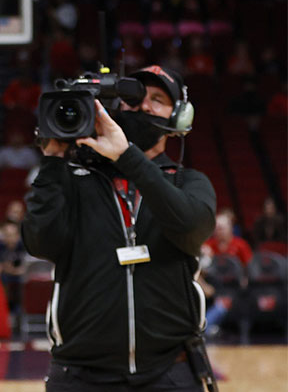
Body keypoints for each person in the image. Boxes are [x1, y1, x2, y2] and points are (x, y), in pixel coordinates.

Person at [23, 65, 216, 390]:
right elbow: (41, 243)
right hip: (80, 375)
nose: (142, 105)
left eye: (157, 99)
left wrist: (126, 155)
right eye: (133, 96)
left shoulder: (188, 182)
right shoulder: (71, 179)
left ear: (178, 119)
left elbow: (190, 227)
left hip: (171, 371)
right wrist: (54, 160)